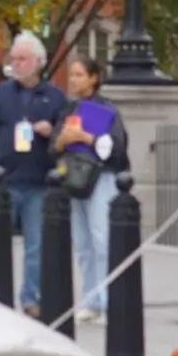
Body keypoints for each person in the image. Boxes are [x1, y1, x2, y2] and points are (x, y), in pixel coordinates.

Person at [0, 32, 71, 318]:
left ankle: (31, 297)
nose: (16, 64)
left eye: (22, 59)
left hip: (39, 181)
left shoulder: (55, 97)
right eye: (13, 59)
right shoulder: (0, 94)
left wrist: (52, 132)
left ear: (38, 62)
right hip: (4, 181)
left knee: (36, 246)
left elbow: (66, 138)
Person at [55, 55, 123, 324]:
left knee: (102, 240)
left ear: (94, 78)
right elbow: (54, 147)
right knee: (83, 243)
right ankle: (90, 299)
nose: (73, 80)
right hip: (74, 177)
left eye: (79, 74)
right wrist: (62, 139)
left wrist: (86, 137)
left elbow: (117, 148)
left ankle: (108, 301)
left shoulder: (107, 109)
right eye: (71, 75)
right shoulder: (69, 109)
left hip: (100, 176)